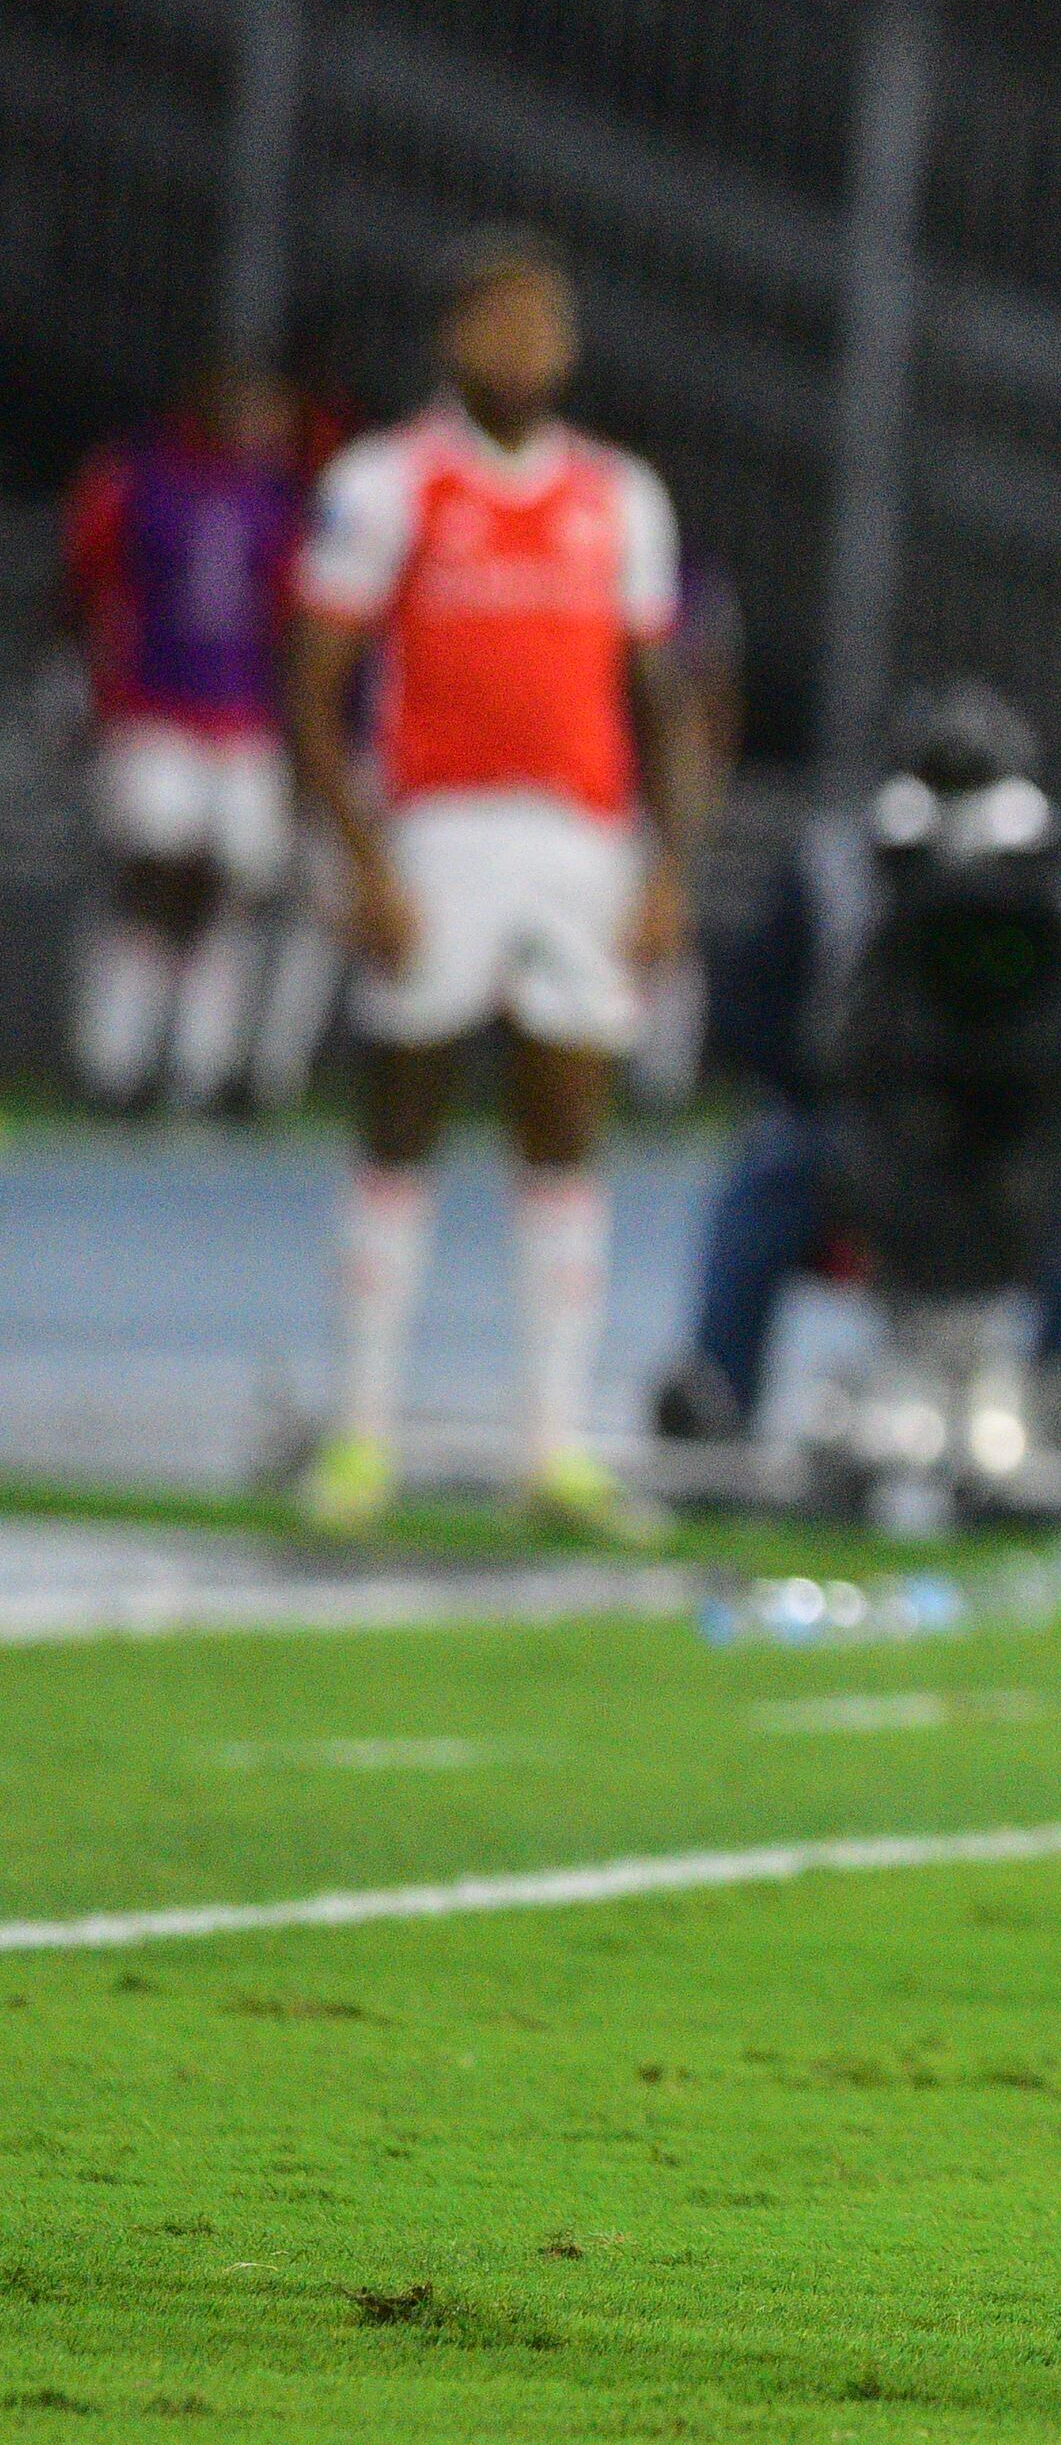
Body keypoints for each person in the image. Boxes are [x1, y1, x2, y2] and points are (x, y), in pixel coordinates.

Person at [286, 237, 715, 1535]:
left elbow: (662, 703)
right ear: (452, 339)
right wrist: (361, 858)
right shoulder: (387, 483)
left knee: (566, 1130)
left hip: (580, 844)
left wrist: (667, 868)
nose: (524, 346)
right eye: (499, 322)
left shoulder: (622, 498)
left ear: (571, 348)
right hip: (438, 833)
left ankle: (554, 1449)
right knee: (400, 1120)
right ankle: (360, 1440)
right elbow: (312, 689)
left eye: (546, 323)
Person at [657, 684, 1061, 1442]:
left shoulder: (1058, 888)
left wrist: (1060, 1066)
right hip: (863, 1125)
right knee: (765, 1176)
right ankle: (720, 1395)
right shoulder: (839, 865)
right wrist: (828, 1073)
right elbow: (754, 1002)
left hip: (1009, 1138)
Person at [52, 365, 310, 1115]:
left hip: (244, 721)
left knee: (233, 890)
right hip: (152, 711)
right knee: (153, 874)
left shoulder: (276, 500)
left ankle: (201, 1066)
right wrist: (78, 687)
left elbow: (292, 619)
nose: (257, 418)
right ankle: (112, 1057)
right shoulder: (135, 479)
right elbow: (81, 585)